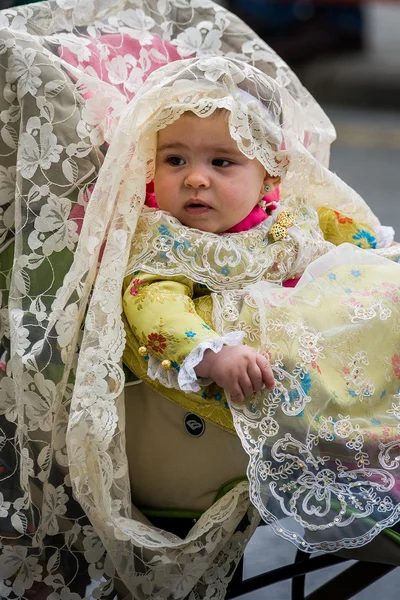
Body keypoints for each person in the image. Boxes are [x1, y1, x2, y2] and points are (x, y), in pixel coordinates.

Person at [121, 56, 400, 550]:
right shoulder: (165, 239)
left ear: (270, 174)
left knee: (384, 294)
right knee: (292, 359)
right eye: (175, 160)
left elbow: (346, 233)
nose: (195, 179)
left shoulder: (287, 215)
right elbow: (151, 299)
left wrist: (380, 253)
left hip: (315, 334)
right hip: (258, 361)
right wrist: (209, 349)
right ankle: (343, 449)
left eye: (221, 162)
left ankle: (377, 438)